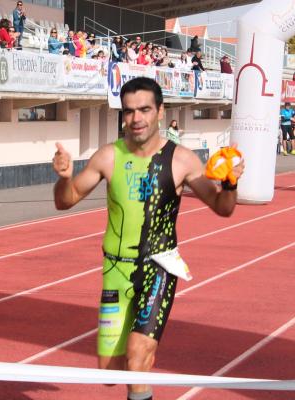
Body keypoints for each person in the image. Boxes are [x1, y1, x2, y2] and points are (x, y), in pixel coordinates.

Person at [52, 77, 244, 400]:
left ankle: (143, 353)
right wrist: (65, 177)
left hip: (159, 267)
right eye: (129, 112)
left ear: (159, 111)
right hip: (115, 270)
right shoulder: (108, 157)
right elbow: (64, 200)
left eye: (144, 110)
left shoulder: (181, 159)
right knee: (110, 371)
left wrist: (230, 185)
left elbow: (222, 208)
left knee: (137, 356)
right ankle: (141, 358)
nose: (136, 119)